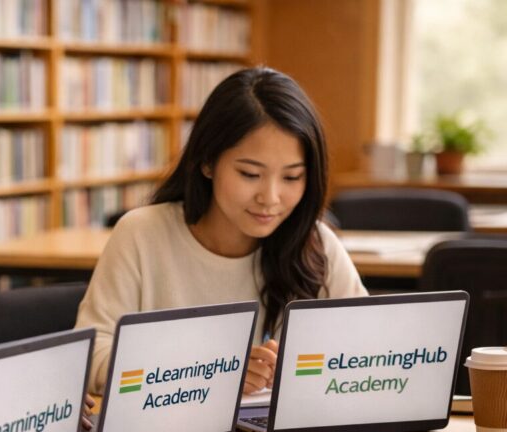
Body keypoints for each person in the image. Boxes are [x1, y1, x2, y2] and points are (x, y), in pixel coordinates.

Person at [75, 66, 367, 395]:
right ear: (208, 162)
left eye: (291, 178)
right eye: (249, 174)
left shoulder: (315, 243)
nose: (270, 198)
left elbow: (364, 349)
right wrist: (211, 370)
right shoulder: (142, 234)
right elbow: (91, 357)